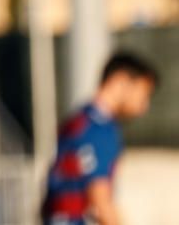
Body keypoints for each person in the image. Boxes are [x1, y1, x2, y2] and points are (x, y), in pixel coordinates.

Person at [42, 52, 158, 225]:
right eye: (144, 93)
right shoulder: (101, 130)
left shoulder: (77, 121)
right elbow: (101, 202)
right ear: (120, 81)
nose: (144, 105)